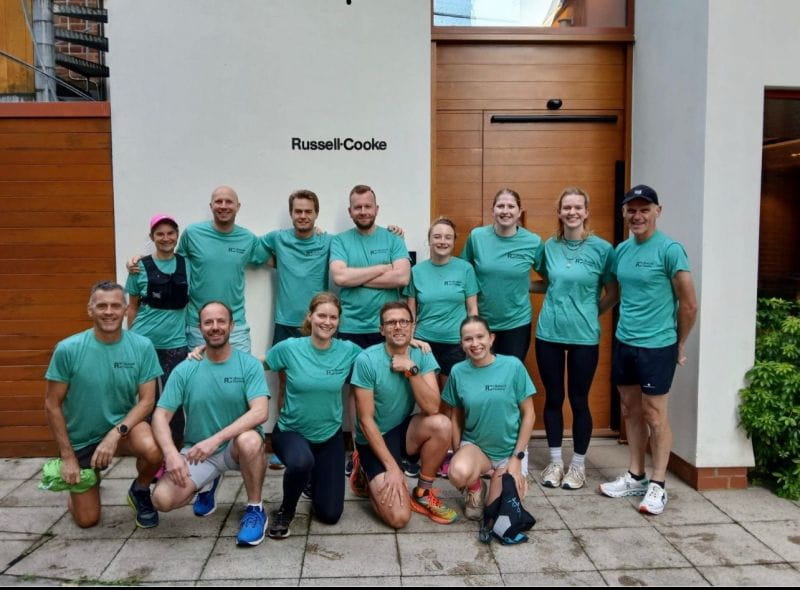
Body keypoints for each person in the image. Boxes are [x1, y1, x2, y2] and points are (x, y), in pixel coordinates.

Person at [598, 185, 698, 515]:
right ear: (624, 213)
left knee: (655, 414)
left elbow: (689, 304)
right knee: (630, 410)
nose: (637, 216)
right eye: (632, 210)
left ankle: (658, 484)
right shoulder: (621, 251)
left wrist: (678, 343)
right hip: (626, 342)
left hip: (658, 346)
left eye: (644, 209)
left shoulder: (670, 250)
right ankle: (636, 474)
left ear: (658, 210)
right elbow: (613, 295)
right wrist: (587, 315)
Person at [44, 281, 163, 528]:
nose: (109, 311)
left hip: (123, 428)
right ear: (90, 309)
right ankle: (86, 482)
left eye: (115, 306)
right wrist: (68, 457)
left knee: (153, 450)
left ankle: (140, 490)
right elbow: (52, 405)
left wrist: (114, 434)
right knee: (88, 521)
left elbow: (147, 401)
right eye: (102, 306)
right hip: (82, 438)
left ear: (125, 310)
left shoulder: (142, 346)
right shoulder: (68, 349)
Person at [150, 301, 270, 546]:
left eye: (221, 321)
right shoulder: (186, 369)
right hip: (198, 452)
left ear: (231, 326)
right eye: (208, 322)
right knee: (162, 500)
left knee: (249, 439)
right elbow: (160, 416)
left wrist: (216, 439)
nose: (215, 327)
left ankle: (255, 509)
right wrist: (171, 455)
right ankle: (207, 481)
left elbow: (260, 412)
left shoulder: (248, 365)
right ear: (200, 327)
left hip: (234, 448)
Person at [533, 188, 618, 490]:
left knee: (579, 400)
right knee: (554, 398)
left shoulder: (602, 249)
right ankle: (556, 463)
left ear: (586, 211)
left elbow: (613, 291)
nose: (572, 212)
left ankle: (578, 466)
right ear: (559, 212)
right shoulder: (549, 247)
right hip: (549, 334)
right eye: (566, 207)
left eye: (577, 207)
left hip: (584, 336)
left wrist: (592, 313)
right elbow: (548, 282)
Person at [350, 301, 457, 528]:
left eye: (403, 322)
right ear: (381, 329)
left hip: (401, 433)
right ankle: (366, 473)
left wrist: (411, 370)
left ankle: (423, 492)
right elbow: (365, 420)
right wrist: (392, 468)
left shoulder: (421, 354)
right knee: (399, 518)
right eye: (391, 322)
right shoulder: (366, 360)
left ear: (412, 326)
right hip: (372, 439)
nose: (398, 326)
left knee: (441, 424)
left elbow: (432, 408)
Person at [264, 293, 362, 538]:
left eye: (333, 317)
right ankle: (286, 510)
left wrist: (412, 346)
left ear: (339, 321)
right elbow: (259, 364)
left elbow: (379, 358)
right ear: (310, 317)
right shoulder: (290, 348)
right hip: (291, 432)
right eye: (321, 315)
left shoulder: (348, 351)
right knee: (300, 462)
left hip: (329, 438)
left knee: (330, 515)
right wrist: (209, 354)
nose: (327, 322)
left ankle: (311, 479)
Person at [127, 186, 267, 352]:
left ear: (238, 206)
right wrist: (141, 261)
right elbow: (171, 260)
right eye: (218, 201)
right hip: (198, 326)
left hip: (235, 326)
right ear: (211, 206)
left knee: (240, 374)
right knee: (200, 375)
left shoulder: (248, 239)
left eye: (229, 201)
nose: (223, 206)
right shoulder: (193, 234)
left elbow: (273, 259)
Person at [260, 190, 332, 470]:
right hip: (286, 324)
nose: (303, 216)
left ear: (316, 214)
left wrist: (394, 232)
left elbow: (355, 248)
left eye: (308, 211)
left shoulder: (328, 241)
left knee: (317, 385)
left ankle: (316, 441)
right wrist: (279, 261)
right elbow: (249, 252)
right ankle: (283, 443)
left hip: (318, 324)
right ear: (291, 214)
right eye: (298, 211)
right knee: (286, 386)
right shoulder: (277, 239)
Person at [443, 316, 537, 521]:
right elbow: (456, 415)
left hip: (510, 451)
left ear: (491, 339)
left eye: (480, 337)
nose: (475, 344)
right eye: (468, 339)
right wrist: (458, 451)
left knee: (494, 512)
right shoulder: (458, 372)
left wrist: (516, 459)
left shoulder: (513, 366)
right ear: (462, 343)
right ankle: (475, 487)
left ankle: (500, 478)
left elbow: (529, 414)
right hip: (477, 447)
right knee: (458, 471)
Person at [126, 214, 190, 448]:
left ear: (177, 235)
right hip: (144, 343)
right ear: (152, 237)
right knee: (147, 401)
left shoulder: (186, 264)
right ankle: (151, 453)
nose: (165, 238)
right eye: (160, 234)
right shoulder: (138, 268)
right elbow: (132, 307)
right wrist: (130, 341)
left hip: (175, 344)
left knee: (174, 400)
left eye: (170, 233)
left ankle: (175, 450)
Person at [461, 188, 544, 362]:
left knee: (508, 377)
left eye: (511, 206)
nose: (505, 211)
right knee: (480, 375)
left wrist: (525, 285)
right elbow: (463, 274)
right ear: (493, 210)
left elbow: (550, 280)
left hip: (517, 324)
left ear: (519, 212)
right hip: (480, 322)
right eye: (500, 206)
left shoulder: (533, 242)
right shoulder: (477, 237)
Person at [330, 184, 411, 348]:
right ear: (350, 211)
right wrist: (382, 268)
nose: (363, 211)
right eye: (357, 207)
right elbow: (340, 277)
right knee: (352, 374)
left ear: (377, 209)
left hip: (387, 326)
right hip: (351, 328)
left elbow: (402, 278)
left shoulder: (393, 238)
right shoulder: (340, 241)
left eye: (368, 206)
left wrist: (355, 279)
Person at [404, 217, 479, 389]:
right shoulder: (416, 271)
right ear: (429, 240)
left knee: (451, 401)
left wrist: (472, 339)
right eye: (437, 236)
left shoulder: (465, 269)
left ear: (454, 241)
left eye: (448, 237)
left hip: (455, 344)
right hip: (423, 344)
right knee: (426, 399)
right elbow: (411, 311)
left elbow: (472, 309)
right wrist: (409, 339)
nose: (442, 241)